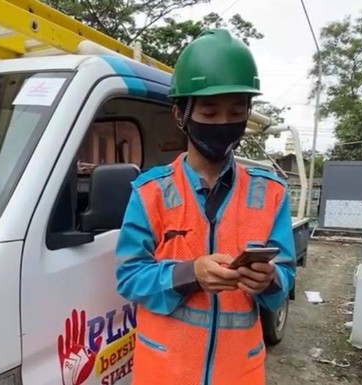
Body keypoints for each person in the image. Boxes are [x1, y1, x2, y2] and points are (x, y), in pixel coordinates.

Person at [115, 28, 296, 385]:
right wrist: (189, 274)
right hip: (163, 373)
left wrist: (270, 279)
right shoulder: (150, 191)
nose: (223, 124)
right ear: (180, 113)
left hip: (238, 373)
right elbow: (129, 276)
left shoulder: (271, 193)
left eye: (236, 111)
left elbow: (285, 278)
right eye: (210, 112)